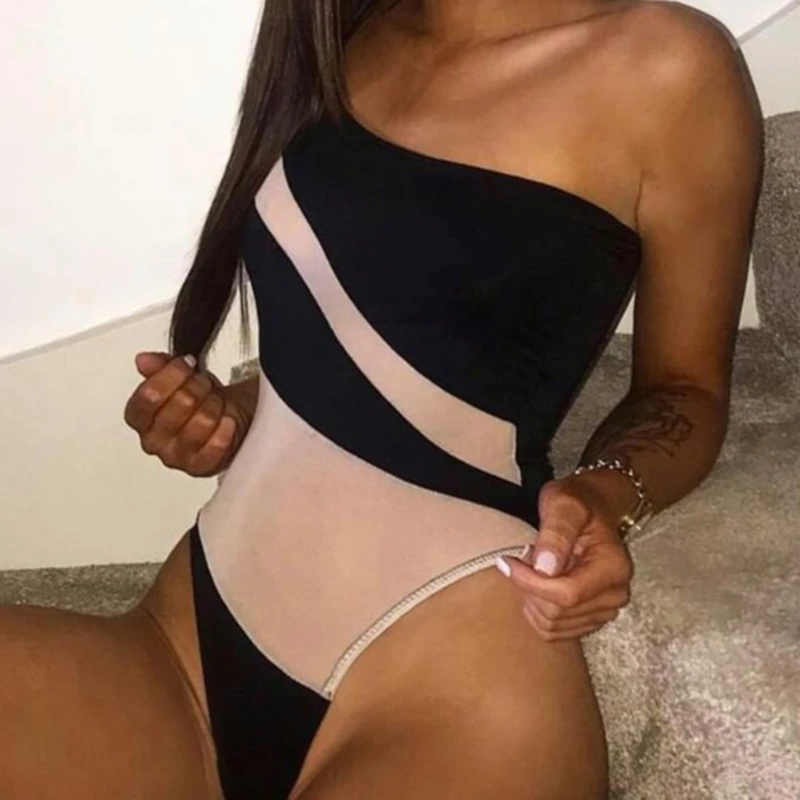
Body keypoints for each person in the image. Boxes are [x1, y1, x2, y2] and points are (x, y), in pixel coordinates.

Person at [1, 0, 763, 798]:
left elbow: (685, 389)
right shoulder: (346, 31)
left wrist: (606, 495)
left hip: (448, 677)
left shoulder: (666, 65)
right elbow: (387, 338)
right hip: (185, 651)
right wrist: (236, 411)